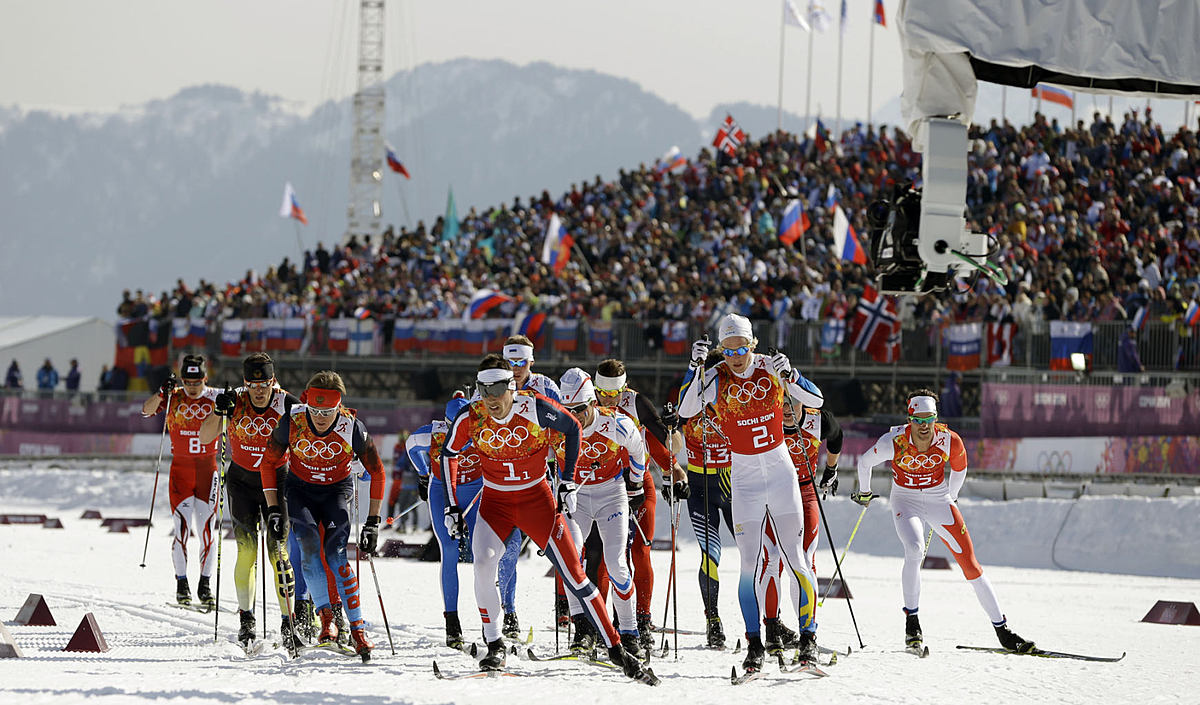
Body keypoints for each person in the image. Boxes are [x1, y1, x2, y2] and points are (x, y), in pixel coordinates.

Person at [439, 354, 656, 684]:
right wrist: (452, 506)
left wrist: (567, 479)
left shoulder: (534, 406)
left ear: (512, 386)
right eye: (484, 390)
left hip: (537, 500)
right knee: (483, 564)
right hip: (495, 502)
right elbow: (449, 453)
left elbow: (571, 428)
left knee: (578, 575)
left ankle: (618, 646)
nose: (492, 399)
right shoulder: (472, 415)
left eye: (498, 389)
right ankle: (494, 642)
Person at [678, 313, 824, 671]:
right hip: (743, 479)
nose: (736, 356)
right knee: (749, 564)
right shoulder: (715, 377)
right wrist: (694, 368)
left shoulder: (770, 367)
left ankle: (809, 641)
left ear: (752, 344)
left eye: (742, 347)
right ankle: (755, 644)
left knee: (795, 558)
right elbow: (685, 409)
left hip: (780, 473)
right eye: (727, 350)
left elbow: (816, 401)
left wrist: (792, 375)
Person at [853, 389, 1035, 653]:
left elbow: (960, 468)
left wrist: (952, 496)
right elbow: (865, 462)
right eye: (919, 420)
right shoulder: (893, 440)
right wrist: (865, 492)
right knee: (915, 549)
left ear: (936, 419)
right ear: (910, 419)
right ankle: (912, 622)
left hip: (939, 499)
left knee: (970, 565)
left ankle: (1003, 630)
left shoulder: (950, 440)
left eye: (930, 420)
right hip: (906, 500)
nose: (924, 427)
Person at [257, 371, 385, 660]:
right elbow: (268, 464)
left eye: (327, 411)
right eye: (315, 410)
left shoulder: (351, 426)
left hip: (336, 492)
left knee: (337, 556)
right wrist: (274, 508)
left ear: (338, 406)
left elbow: (377, 472)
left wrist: (374, 521)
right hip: (300, 490)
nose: (320, 417)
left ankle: (358, 630)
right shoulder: (292, 421)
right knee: (309, 550)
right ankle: (327, 621)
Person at [197, 353, 301, 652]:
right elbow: (206, 438)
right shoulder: (233, 402)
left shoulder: (287, 404)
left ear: (273, 380)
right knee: (246, 552)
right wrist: (218, 412)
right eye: (253, 384)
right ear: (245, 383)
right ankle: (247, 619)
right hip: (242, 483)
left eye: (264, 384)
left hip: (277, 482)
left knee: (278, 553)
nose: (259, 390)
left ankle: (288, 621)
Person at [406, 395, 522, 649]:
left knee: (485, 552)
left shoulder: (485, 428)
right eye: (451, 427)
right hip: (442, 491)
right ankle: (452, 621)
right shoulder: (433, 434)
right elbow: (411, 445)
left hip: (477, 491)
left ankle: (497, 616)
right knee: (449, 550)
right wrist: (424, 474)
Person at [593, 357, 688, 653]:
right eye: (603, 394)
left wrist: (673, 440)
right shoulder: (587, 404)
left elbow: (664, 443)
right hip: (604, 486)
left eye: (614, 394)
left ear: (625, 387)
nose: (608, 400)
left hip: (638, 484)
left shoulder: (636, 404)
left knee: (639, 551)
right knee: (609, 556)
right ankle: (602, 621)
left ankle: (642, 620)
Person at [555, 368, 646, 658]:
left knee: (616, 562)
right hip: (575, 497)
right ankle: (584, 630)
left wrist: (636, 482)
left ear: (593, 403)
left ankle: (630, 634)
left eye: (579, 409)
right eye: (567, 409)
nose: (574, 416)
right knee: (572, 561)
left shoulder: (616, 423)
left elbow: (638, 449)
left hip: (610, 493)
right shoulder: (554, 423)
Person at [141, 354, 221, 607]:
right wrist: (160, 392)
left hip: (208, 471)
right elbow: (147, 409)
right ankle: (182, 583)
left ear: (205, 379)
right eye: (187, 382)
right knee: (181, 530)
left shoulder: (216, 396)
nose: (192, 387)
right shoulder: (173, 395)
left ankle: (205, 585)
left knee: (208, 532)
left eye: (197, 382)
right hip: (181, 472)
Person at [678, 358, 734, 648]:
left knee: (759, 554)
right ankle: (713, 620)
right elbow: (674, 429)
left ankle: (770, 620)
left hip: (734, 486)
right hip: (700, 488)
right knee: (710, 555)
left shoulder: (733, 399)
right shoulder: (689, 400)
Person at [780, 397, 842, 642]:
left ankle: (809, 628)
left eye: (792, 404)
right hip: (776, 494)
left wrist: (831, 469)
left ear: (803, 405)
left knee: (805, 558)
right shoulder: (766, 418)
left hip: (806, 491)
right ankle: (772, 627)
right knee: (772, 561)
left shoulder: (818, 419)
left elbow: (837, 436)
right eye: (781, 403)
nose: (786, 410)